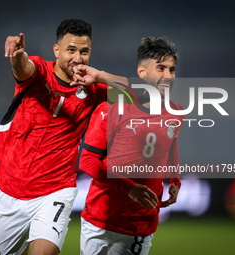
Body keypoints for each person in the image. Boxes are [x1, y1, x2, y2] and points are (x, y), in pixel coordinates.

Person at [0, 18, 108, 255]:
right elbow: (22, 67)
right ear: (57, 50)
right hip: (8, 188)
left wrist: (101, 76)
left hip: (56, 189)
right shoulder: (40, 72)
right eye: (71, 50)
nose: (77, 58)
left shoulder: (94, 89)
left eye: (84, 52)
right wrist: (16, 54)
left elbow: (143, 95)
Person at [74, 37, 184, 255]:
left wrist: (175, 179)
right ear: (142, 73)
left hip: (139, 223)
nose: (168, 76)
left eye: (171, 70)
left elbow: (170, 144)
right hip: (99, 218)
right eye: (160, 68)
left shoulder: (176, 113)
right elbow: (87, 161)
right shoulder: (112, 109)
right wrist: (129, 188)